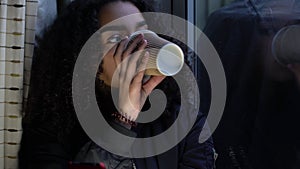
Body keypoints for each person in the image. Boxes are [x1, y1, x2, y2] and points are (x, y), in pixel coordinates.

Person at [18, 0, 215, 169]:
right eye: (116, 39)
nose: (140, 46)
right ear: (86, 60)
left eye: (142, 33)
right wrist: (122, 121)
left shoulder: (183, 124)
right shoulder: (53, 129)